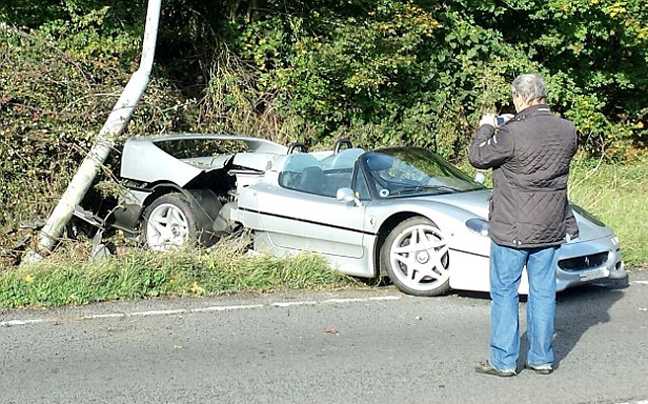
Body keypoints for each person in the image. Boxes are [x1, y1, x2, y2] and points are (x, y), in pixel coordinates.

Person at [468, 73, 579, 377]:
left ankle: (503, 361)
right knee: (543, 292)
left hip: (513, 227)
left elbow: (477, 157)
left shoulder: (512, 134)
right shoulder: (568, 130)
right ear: (543, 96)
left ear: (519, 98)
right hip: (551, 224)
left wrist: (487, 127)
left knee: (505, 292)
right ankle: (541, 357)